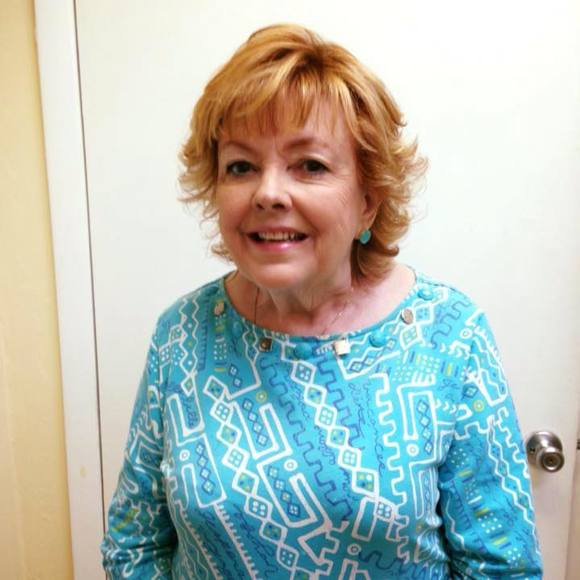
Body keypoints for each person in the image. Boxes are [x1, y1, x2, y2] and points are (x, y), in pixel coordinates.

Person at [101, 24, 543, 579]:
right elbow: (133, 546)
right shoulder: (182, 335)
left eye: (310, 165)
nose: (268, 192)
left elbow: (503, 568)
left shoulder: (449, 335)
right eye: (241, 166)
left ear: (368, 200)